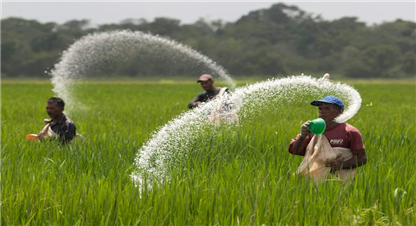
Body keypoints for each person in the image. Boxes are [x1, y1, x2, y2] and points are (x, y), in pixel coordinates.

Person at [289, 95, 367, 181]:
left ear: (340, 112)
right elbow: (295, 151)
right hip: (313, 182)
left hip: (341, 182)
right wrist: (303, 136)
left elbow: (362, 158)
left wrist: (341, 164)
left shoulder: (350, 132)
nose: (322, 111)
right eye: (320, 108)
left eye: (328, 108)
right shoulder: (312, 129)